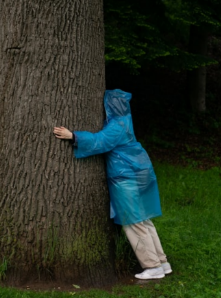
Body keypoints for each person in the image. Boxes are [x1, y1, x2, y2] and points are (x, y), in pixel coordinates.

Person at [53, 89, 172, 280]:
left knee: (132, 222)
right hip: (137, 173)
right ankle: (162, 263)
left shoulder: (117, 125)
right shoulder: (125, 121)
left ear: (110, 106)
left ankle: (152, 266)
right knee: (143, 220)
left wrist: (73, 136)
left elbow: (101, 141)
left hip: (126, 177)